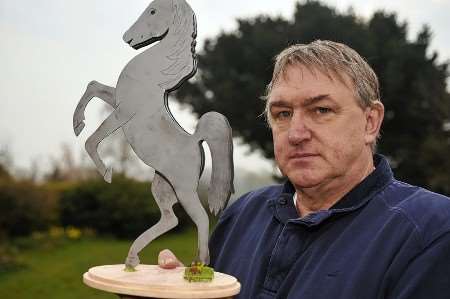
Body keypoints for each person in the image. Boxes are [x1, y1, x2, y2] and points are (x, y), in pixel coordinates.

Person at [159, 40, 450, 298]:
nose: (296, 133)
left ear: (370, 122)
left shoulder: (432, 231)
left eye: (321, 110)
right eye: (283, 114)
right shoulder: (242, 214)